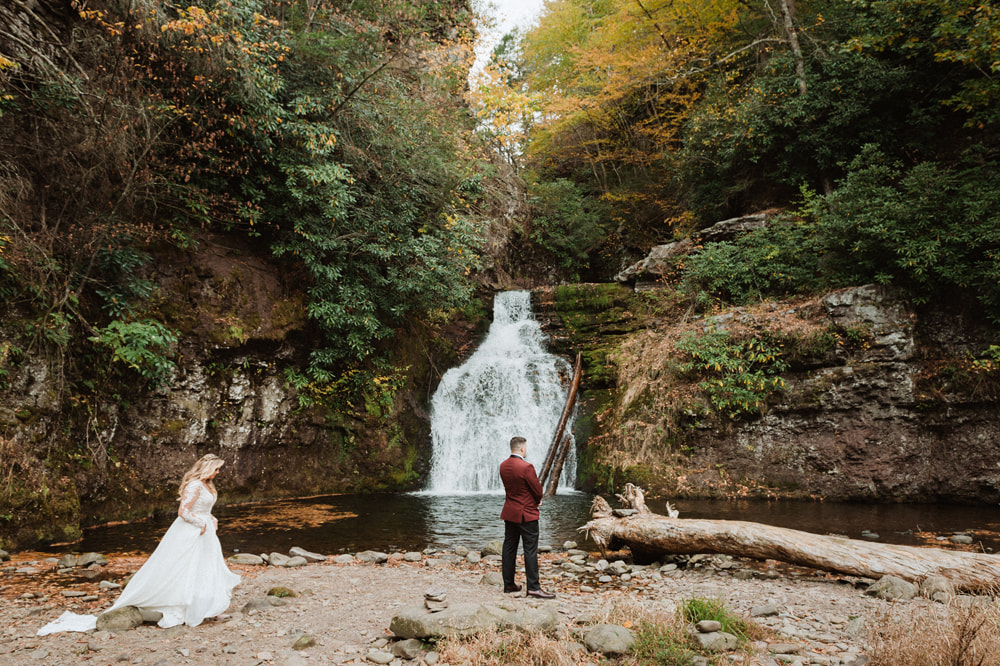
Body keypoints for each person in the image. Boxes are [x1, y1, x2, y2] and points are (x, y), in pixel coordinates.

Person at [39, 454, 241, 635]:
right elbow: (183, 511)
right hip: (192, 531)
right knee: (184, 568)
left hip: (205, 533)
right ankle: (184, 606)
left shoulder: (208, 485)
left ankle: (209, 608)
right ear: (206, 469)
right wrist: (201, 523)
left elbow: (202, 508)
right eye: (216, 469)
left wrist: (211, 517)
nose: (218, 472)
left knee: (206, 568)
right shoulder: (195, 485)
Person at [499, 436, 555, 599]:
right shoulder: (526, 466)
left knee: (509, 548)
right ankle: (533, 587)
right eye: (526, 448)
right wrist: (538, 501)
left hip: (510, 512)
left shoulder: (503, 466)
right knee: (530, 550)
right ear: (522, 449)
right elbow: (537, 489)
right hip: (526, 514)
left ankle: (508, 584)